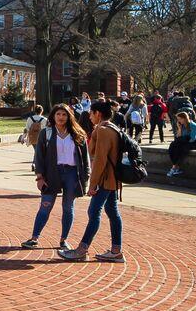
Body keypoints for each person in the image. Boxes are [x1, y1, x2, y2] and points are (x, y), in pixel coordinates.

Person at [62, 99, 126, 262]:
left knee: (94, 211)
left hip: (105, 179)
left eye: (91, 113)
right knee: (112, 212)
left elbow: (100, 161)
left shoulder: (102, 130)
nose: (89, 116)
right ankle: (116, 250)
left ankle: (82, 249)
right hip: (113, 178)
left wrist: (93, 184)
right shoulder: (113, 128)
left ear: (98, 113)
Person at [22, 104, 86, 250]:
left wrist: (85, 179)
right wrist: (39, 176)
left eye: (64, 114)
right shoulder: (47, 133)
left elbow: (85, 158)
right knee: (45, 206)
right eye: (58, 114)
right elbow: (39, 156)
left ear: (69, 116)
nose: (61, 117)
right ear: (53, 116)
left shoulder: (78, 133)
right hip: (52, 173)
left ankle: (64, 240)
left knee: (68, 208)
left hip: (71, 173)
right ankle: (34, 238)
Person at [168, 108, 196, 176]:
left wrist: (182, 143)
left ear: (184, 118)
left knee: (181, 148)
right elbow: (178, 137)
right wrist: (179, 128)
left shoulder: (193, 125)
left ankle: (175, 167)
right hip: (186, 141)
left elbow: (193, 138)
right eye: (178, 119)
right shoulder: (182, 126)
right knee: (173, 145)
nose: (178, 121)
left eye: (179, 119)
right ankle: (175, 166)